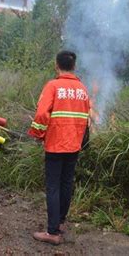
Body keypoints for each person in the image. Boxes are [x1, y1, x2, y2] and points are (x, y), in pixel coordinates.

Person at [28, 50, 90, 245]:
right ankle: (61, 222)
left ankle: (53, 231)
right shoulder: (82, 89)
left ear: (57, 65)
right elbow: (86, 118)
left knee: (53, 186)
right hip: (74, 145)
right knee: (66, 183)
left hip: (56, 144)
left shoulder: (53, 86)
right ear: (74, 66)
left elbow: (41, 115)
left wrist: (37, 134)